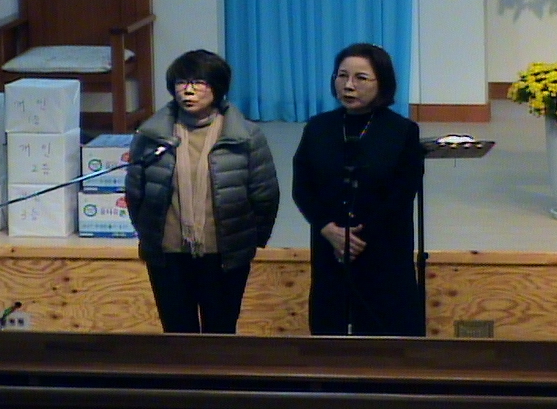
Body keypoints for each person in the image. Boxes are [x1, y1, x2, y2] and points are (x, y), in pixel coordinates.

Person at [125, 49, 280, 334]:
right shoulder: (151, 135)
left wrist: (249, 241)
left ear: (217, 87)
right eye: (181, 83)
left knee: (220, 332)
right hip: (169, 253)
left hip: (223, 253)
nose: (188, 90)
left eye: (199, 82)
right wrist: (150, 235)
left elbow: (264, 195)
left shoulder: (245, 136)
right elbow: (136, 194)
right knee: (177, 332)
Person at [292, 42, 425, 337]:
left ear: (382, 83)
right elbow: (303, 186)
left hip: (382, 248)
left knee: (386, 328)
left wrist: (357, 237)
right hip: (330, 246)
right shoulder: (318, 127)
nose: (348, 85)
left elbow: (402, 193)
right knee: (330, 327)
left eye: (360, 78)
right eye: (342, 76)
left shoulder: (402, 131)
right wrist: (328, 228)